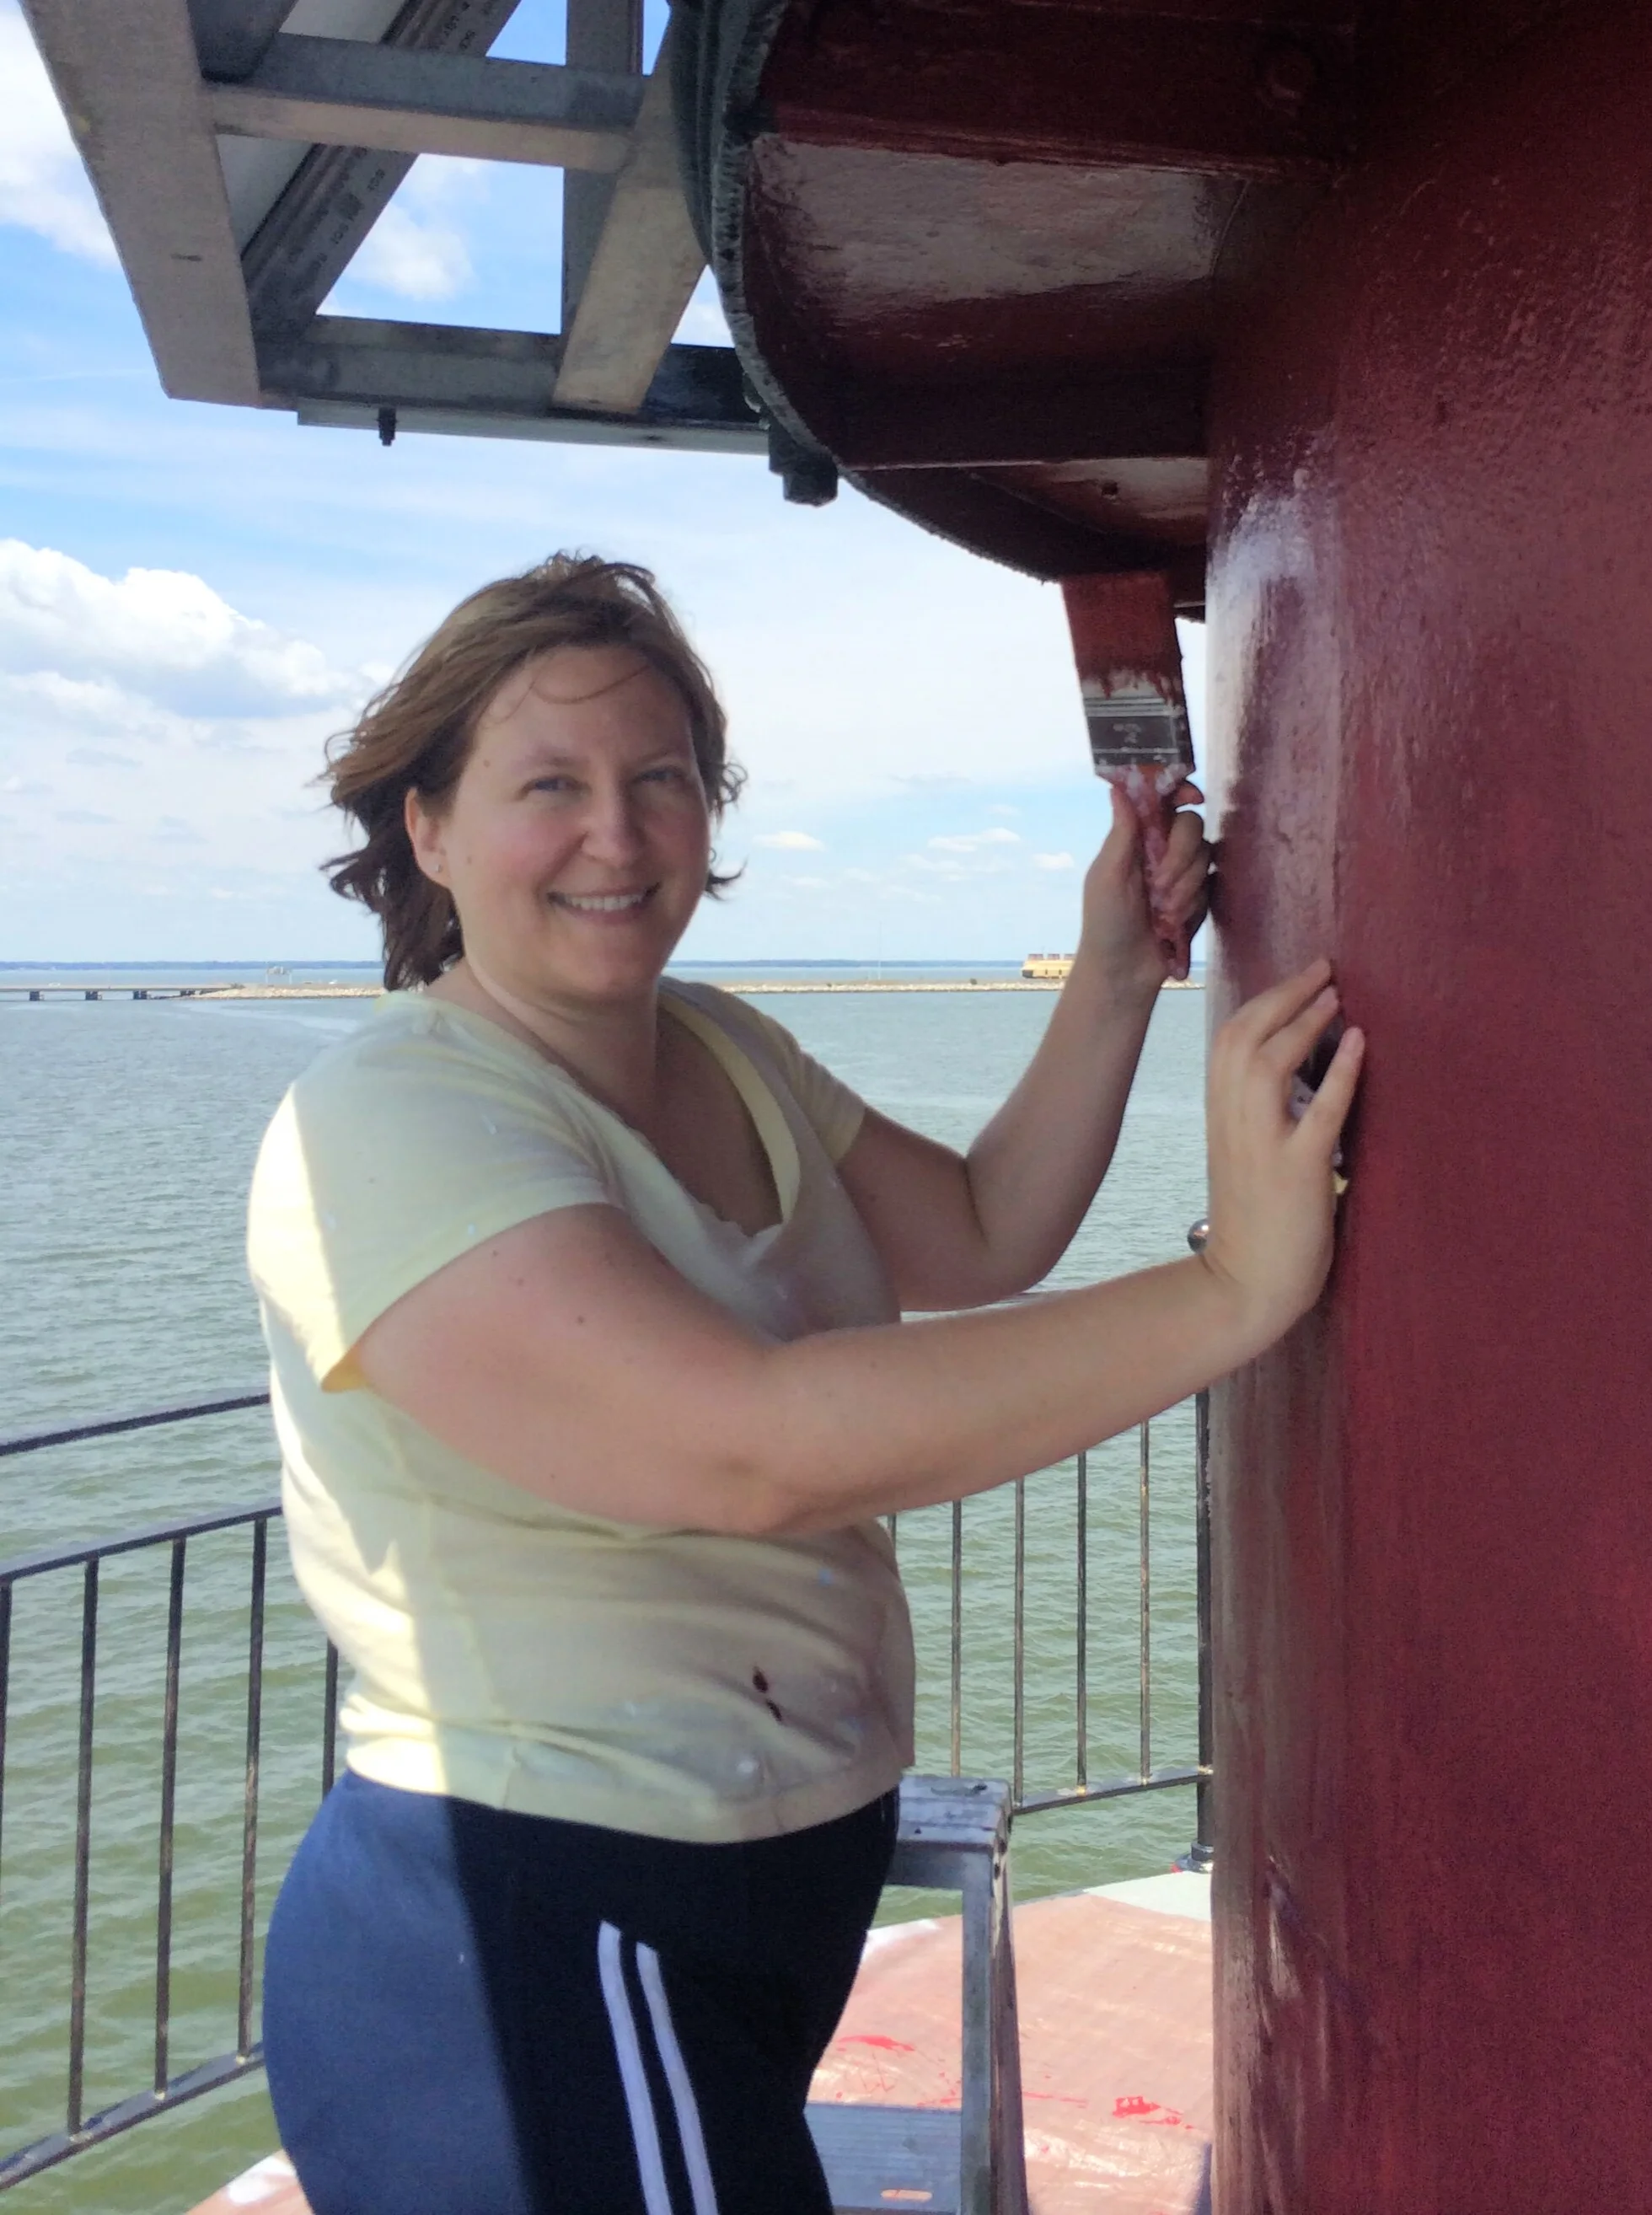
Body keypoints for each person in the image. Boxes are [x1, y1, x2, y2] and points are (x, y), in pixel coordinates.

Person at [249, 555, 1360, 2215]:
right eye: (546, 786)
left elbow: (979, 1231)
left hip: (752, 1899)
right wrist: (1227, 1291)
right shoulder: (392, 1120)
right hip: (539, 1919)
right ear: (425, 829)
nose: (616, 837)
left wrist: (1120, 968)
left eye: (661, 782)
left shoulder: (721, 1048)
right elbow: (747, 1454)